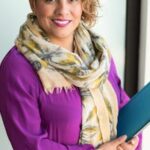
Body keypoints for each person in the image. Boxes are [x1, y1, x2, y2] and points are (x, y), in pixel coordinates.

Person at [0, 0, 142, 149]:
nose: (62, 9)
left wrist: (131, 141)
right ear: (34, 3)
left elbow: (122, 109)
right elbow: (29, 145)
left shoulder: (98, 53)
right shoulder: (17, 68)